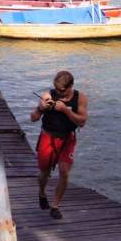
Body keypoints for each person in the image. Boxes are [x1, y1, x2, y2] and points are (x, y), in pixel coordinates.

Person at [30, 70, 88, 220]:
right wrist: (41, 108)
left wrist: (65, 110)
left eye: (62, 90)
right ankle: (42, 192)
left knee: (64, 172)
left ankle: (55, 206)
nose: (59, 93)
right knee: (44, 173)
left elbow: (82, 122)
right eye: (57, 89)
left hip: (67, 138)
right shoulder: (48, 95)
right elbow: (33, 118)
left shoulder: (80, 98)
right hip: (48, 137)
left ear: (71, 86)